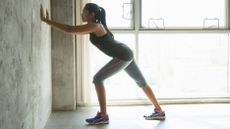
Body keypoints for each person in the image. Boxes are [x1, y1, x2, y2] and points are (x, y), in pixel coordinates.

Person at [40, 3, 165, 125]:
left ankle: (103, 116)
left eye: (84, 12)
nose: (81, 13)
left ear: (91, 14)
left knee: (98, 79)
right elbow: (72, 30)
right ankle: (159, 111)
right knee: (141, 82)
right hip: (125, 53)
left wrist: (47, 21)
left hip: (123, 55)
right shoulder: (94, 26)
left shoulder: (95, 26)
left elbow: (70, 29)